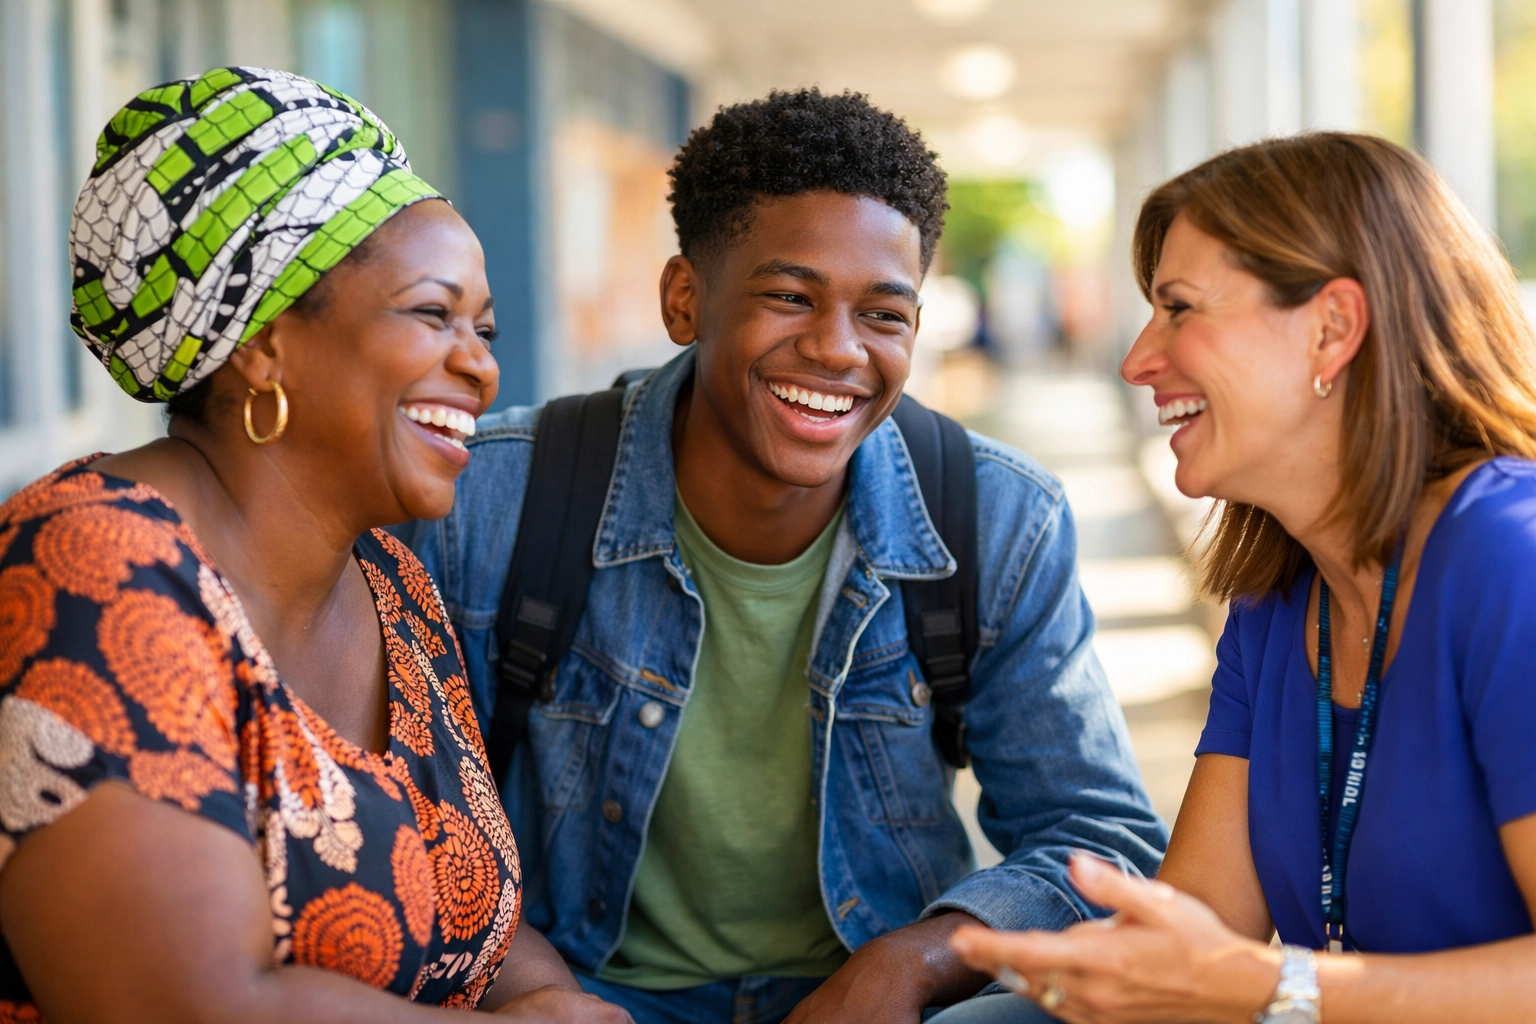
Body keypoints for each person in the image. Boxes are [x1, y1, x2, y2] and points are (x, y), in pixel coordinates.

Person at [401, 87, 1166, 1024]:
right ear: (686, 300)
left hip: (871, 993)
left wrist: (912, 964)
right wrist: (541, 995)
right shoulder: (490, 497)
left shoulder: (998, 517)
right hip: (587, 991)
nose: (837, 350)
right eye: (789, 296)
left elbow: (1100, 839)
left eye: (885, 315)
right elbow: (403, 814)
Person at [0, 67, 629, 1022]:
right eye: (432, 313)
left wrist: (561, 1003)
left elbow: (482, 929)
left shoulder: (393, 586)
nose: (482, 365)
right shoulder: (91, 568)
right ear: (263, 344)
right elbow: (183, 1005)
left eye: (485, 328)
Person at [943, 132, 1536, 1023]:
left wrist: (1275, 988)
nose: (1138, 359)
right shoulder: (1279, 595)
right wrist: (954, 952)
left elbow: (1234, 977)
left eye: (1179, 308)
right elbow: (1197, 926)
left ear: (1332, 329)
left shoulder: (1510, 558)